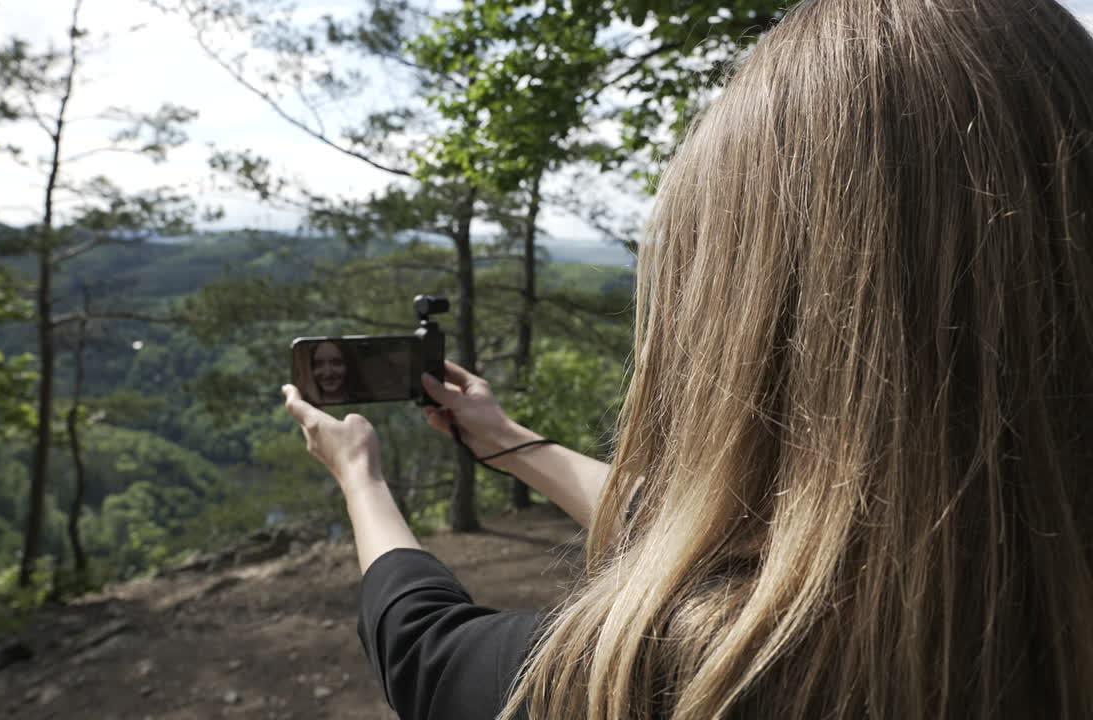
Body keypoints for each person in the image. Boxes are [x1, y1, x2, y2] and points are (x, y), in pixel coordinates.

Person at [282, 0, 1093, 717]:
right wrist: (506, 442)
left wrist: (362, 474)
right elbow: (719, 541)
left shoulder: (687, 678)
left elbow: (425, 648)